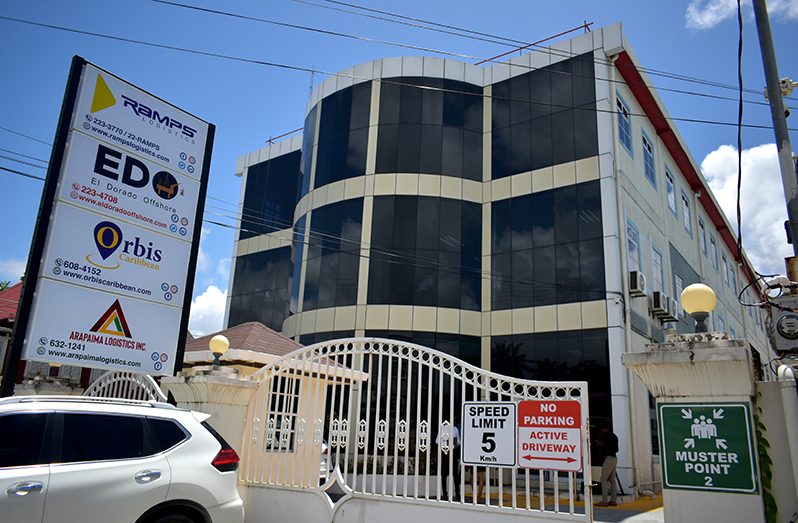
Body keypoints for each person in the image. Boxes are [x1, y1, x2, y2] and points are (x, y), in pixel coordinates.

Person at [435, 419, 461, 501]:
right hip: (451, 453)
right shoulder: (455, 429)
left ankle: (445, 494)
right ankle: (457, 494)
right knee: (455, 475)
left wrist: (444, 443)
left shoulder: (443, 428)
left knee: (444, 475)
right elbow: (458, 442)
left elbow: (437, 441)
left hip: (445, 453)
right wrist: (454, 443)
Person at [595, 424, 619, 506]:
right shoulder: (614, 436)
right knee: (612, 480)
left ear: (605, 429)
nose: (601, 431)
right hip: (614, 458)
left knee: (603, 479)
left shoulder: (606, 437)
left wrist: (600, 446)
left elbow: (606, 449)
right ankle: (613, 500)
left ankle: (604, 501)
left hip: (608, 458)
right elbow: (616, 449)